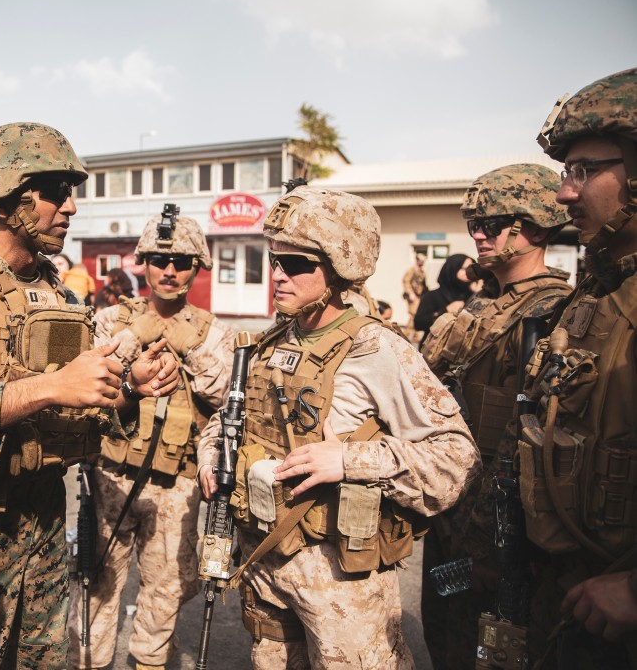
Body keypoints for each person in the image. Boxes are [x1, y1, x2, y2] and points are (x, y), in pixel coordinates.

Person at [0, 122, 179, 669]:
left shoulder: (55, 292)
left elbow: (80, 407)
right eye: (55, 192)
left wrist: (126, 391)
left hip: (46, 525)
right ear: (4, 201)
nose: (70, 207)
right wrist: (50, 385)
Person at [197, 185, 480, 669]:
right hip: (266, 565)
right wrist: (212, 453)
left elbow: (456, 459)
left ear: (339, 266)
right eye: (274, 260)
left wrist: (349, 459)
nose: (279, 275)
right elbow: (228, 417)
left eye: (297, 263)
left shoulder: (377, 350)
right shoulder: (269, 342)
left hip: (342, 586)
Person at [416, 163, 572, 670]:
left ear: (536, 227)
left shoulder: (557, 312)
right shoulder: (482, 308)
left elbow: (533, 435)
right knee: (445, 638)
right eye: (473, 224)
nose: (479, 233)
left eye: (494, 221)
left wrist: (492, 538)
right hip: (451, 508)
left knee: (490, 649)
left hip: (502, 523)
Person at [68, 213, 235, 670]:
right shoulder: (110, 320)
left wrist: (190, 344)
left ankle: (148, 662)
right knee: (97, 585)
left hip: (176, 488)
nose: (169, 270)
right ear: (142, 263)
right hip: (110, 477)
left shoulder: (213, 333)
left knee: (165, 591)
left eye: (181, 261)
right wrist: (135, 338)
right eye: (159, 259)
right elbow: (88, 384)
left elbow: (222, 397)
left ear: (196, 266)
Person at [516, 67, 637, 669]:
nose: (565, 194)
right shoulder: (597, 292)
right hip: (571, 593)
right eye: (568, 172)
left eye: (585, 171)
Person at [413, 253, 477, 342]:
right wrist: (445, 311)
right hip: (435, 350)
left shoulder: (475, 296)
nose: (468, 273)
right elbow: (418, 323)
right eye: (464, 269)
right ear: (452, 269)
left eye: (471, 269)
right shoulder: (433, 296)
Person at [402, 252, 428, 325]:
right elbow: (406, 281)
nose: (423, 262)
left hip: (420, 295)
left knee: (417, 314)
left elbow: (423, 284)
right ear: (417, 260)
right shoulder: (411, 271)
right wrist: (410, 293)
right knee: (414, 315)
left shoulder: (421, 272)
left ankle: (415, 335)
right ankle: (408, 334)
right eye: (421, 260)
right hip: (414, 295)